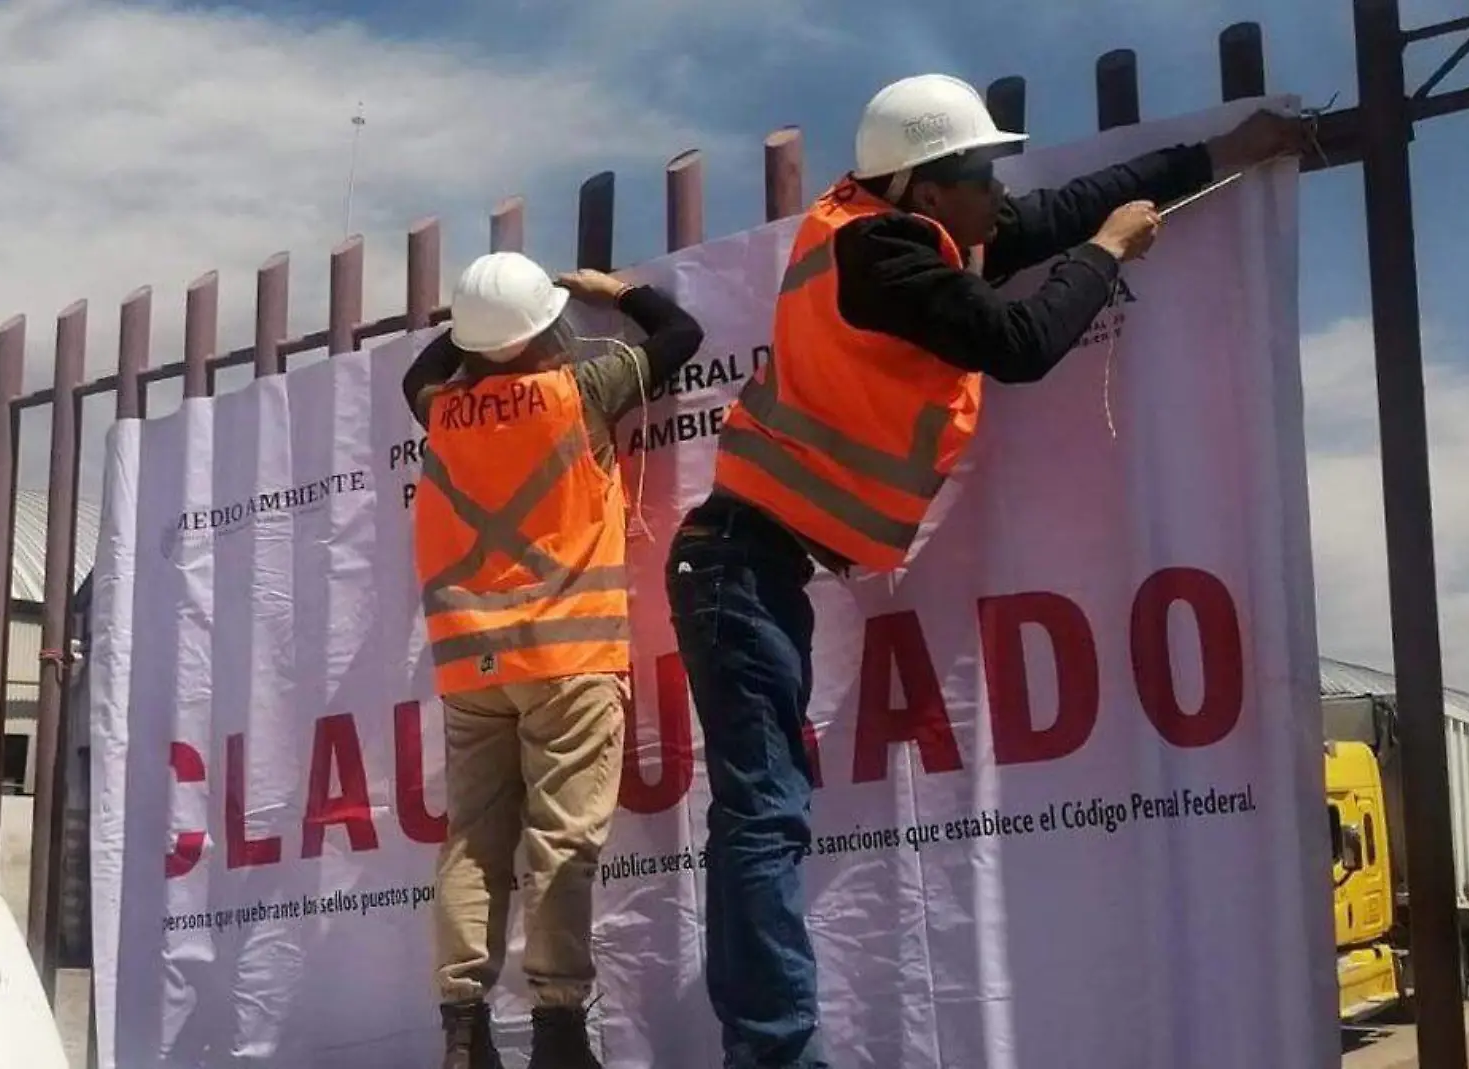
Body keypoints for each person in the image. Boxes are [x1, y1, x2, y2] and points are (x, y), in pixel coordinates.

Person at [663, 73, 1307, 1068]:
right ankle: (773, 1054)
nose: (999, 190)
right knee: (763, 816)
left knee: (769, 810)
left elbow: (1053, 212)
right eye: (981, 171)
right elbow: (1018, 342)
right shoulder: (880, 258)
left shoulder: (892, 234)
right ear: (925, 189)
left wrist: (1220, 152)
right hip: (736, 569)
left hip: (752, 569)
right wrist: (1104, 256)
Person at [405, 251, 705, 1069]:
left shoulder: (436, 408)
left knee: (473, 840)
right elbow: (682, 332)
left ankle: (463, 1029)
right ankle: (559, 1030)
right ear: (548, 326)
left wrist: (464, 325)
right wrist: (620, 293)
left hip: (473, 666)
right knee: (560, 842)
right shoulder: (584, 389)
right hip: (569, 656)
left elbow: (423, 368)